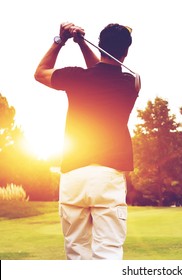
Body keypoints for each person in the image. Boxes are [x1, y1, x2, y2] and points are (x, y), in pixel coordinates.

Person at [34, 22, 140, 260]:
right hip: (108, 175)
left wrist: (60, 40)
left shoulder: (77, 76)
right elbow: (102, 71)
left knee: (77, 253)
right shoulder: (131, 82)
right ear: (126, 51)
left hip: (74, 175)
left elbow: (40, 73)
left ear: (100, 45)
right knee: (108, 253)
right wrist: (82, 44)